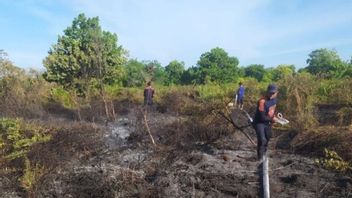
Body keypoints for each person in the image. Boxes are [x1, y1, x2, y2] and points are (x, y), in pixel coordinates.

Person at [253, 84, 280, 161]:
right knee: (262, 139)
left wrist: (275, 117)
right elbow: (262, 117)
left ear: (276, 93)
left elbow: (272, 111)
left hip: (267, 122)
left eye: (273, 93)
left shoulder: (275, 100)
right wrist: (272, 119)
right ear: (267, 92)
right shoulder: (262, 101)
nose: (271, 95)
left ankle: (263, 155)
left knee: (267, 138)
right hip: (259, 122)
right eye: (270, 93)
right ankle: (260, 158)